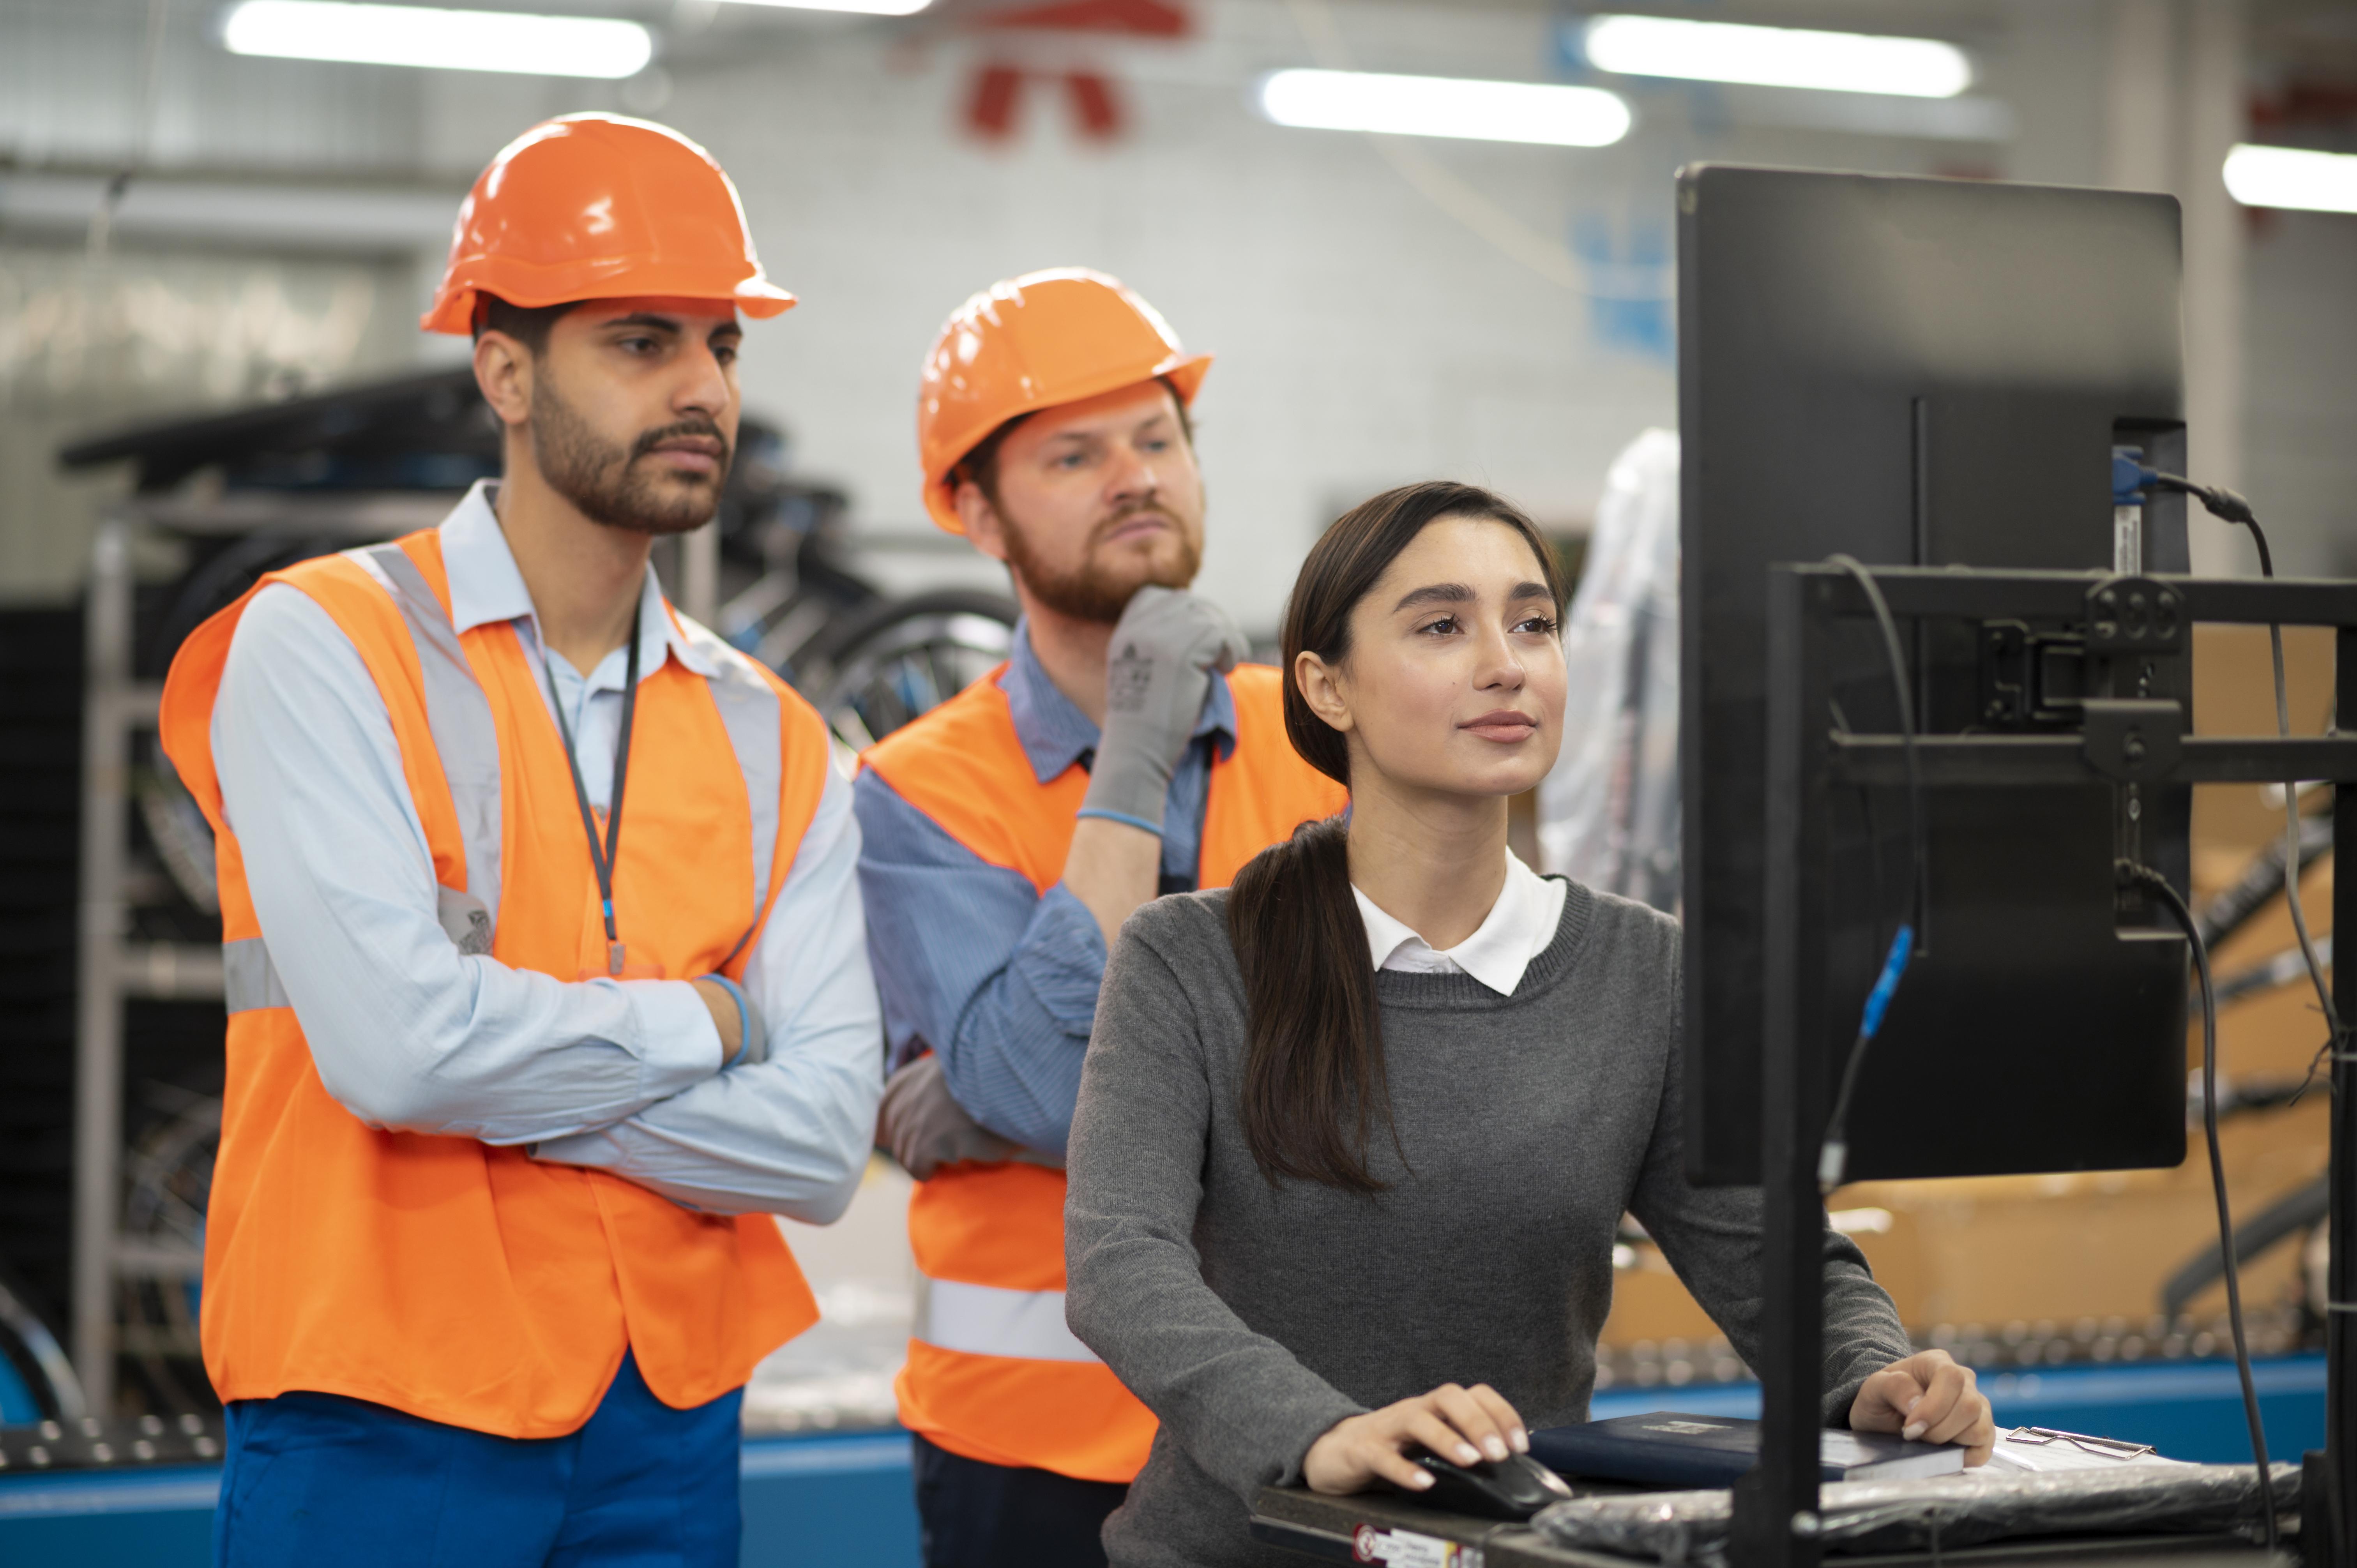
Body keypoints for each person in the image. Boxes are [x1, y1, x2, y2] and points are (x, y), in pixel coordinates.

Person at [157, 113, 883, 1568]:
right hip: (377, 1405)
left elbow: (818, 1141)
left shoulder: (776, 735)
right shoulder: (321, 644)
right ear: (504, 368)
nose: (702, 391)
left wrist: (492, 1070)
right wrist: (710, 1020)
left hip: (664, 1429)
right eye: (639, 342)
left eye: (722, 347)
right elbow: (396, 1056)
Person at [1064, 481, 1995, 1566]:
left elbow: (1772, 1256)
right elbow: (1119, 1266)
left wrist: (1874, 1377)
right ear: (1327, 688)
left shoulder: (1647, 971)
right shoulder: (1190, 957)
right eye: (1443, 626)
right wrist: (1317, 1432)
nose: (1506, 663)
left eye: (1534, 623)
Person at [856, 269, 1350, 1568]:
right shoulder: (920, 793)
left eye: (1156, 438)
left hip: (1310, 1426)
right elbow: (1030, 1074)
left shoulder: (1327, 747)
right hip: (1036, 1449)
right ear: (974, 510)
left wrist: (1050, 1106)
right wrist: (1133, 751)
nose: (1135, 476)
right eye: (1074, 454)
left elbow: (1418, 1071)